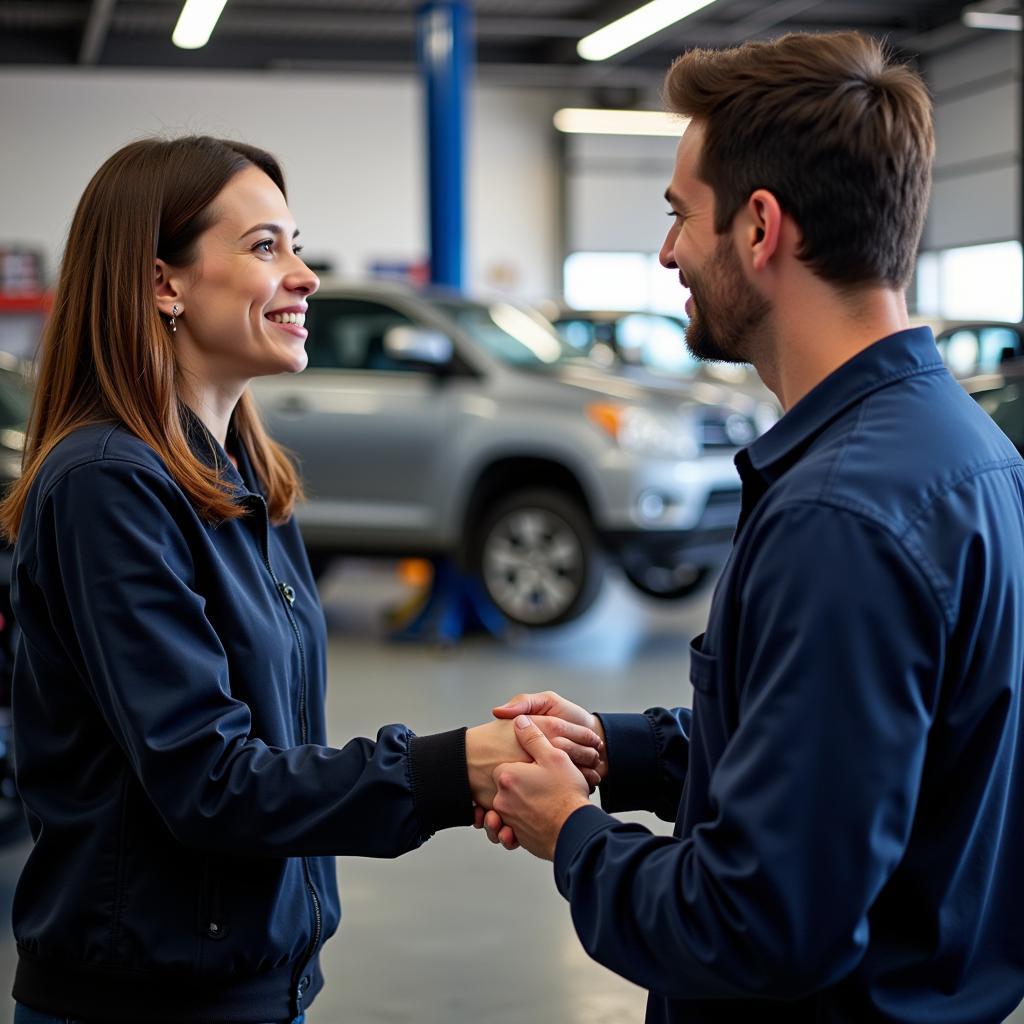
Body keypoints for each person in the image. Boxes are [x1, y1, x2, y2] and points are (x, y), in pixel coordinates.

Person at [481, 31, 1024, 1024]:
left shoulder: (840, 517)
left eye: (681, 215)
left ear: (761, 227)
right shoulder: (969, 453)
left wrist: (570, 832)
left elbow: (755, 922)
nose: (667, 252)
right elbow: (846, 764)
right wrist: (623, 748)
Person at [0, 135, 603, 1024]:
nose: (307, 275)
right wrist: (452, 767)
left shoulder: (246, 473)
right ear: (163, 283)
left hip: (257, 983)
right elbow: (210, 780)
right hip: (142, 1002)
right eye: (264, 247)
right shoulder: (107, 485)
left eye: (297, 244)